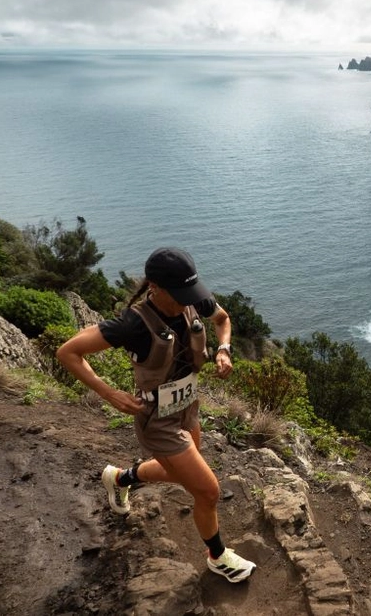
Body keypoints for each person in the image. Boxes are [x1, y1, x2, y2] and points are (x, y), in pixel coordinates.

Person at [57, 247, 256, 583]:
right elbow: (68, 352)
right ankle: (218, 556)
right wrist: (110, 394)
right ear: (155, 286)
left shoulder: (193, 299)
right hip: (157, 420)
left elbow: (223, 320)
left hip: (188, 407)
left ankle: (119, 479)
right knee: (207, 491)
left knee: (180, 474)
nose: (186, 301)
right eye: (178, 295)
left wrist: (224, 349)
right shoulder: (133, 323)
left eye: (189, 293)